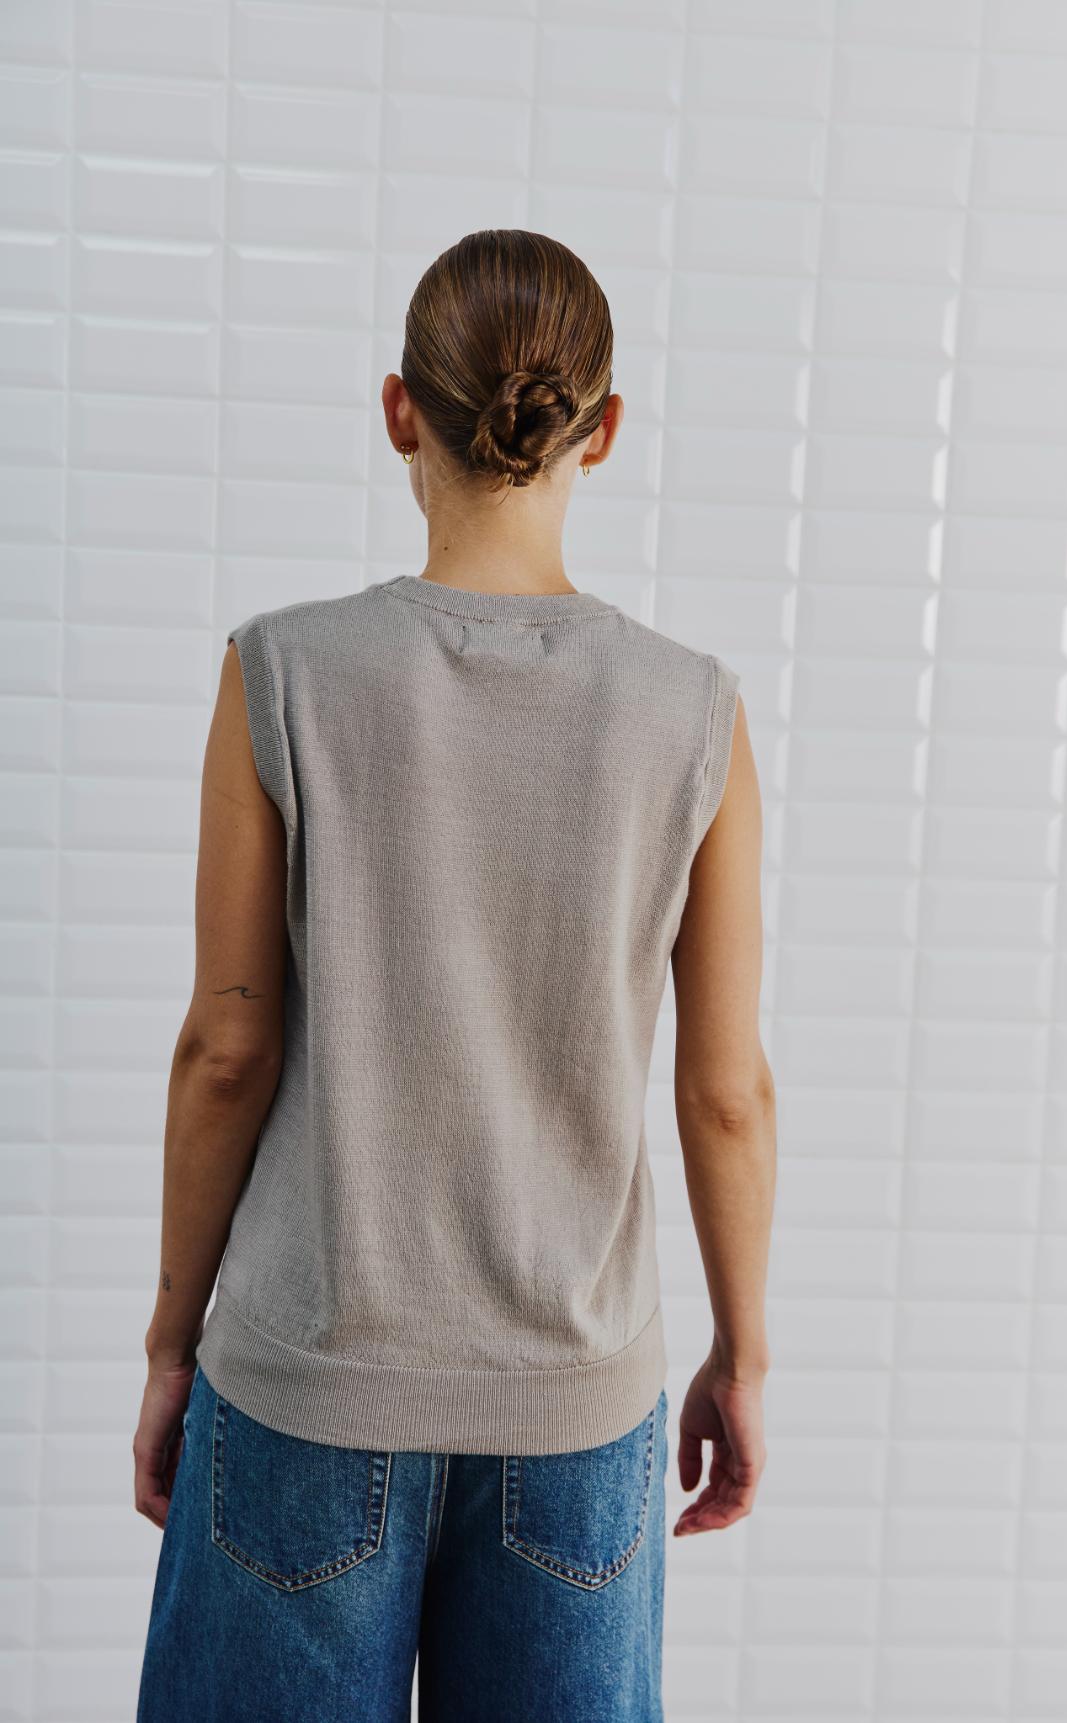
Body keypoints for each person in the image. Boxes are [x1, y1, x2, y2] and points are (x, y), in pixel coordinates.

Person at [134, 228, 777, 1722]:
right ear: (602, 431)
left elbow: (227, 1050)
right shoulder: (693, 712)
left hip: (306, 1386)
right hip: (576, 1411)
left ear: (396, 411)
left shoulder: (281, 671)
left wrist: (172, 1346)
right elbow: (726, 1092)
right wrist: (743, 1358)